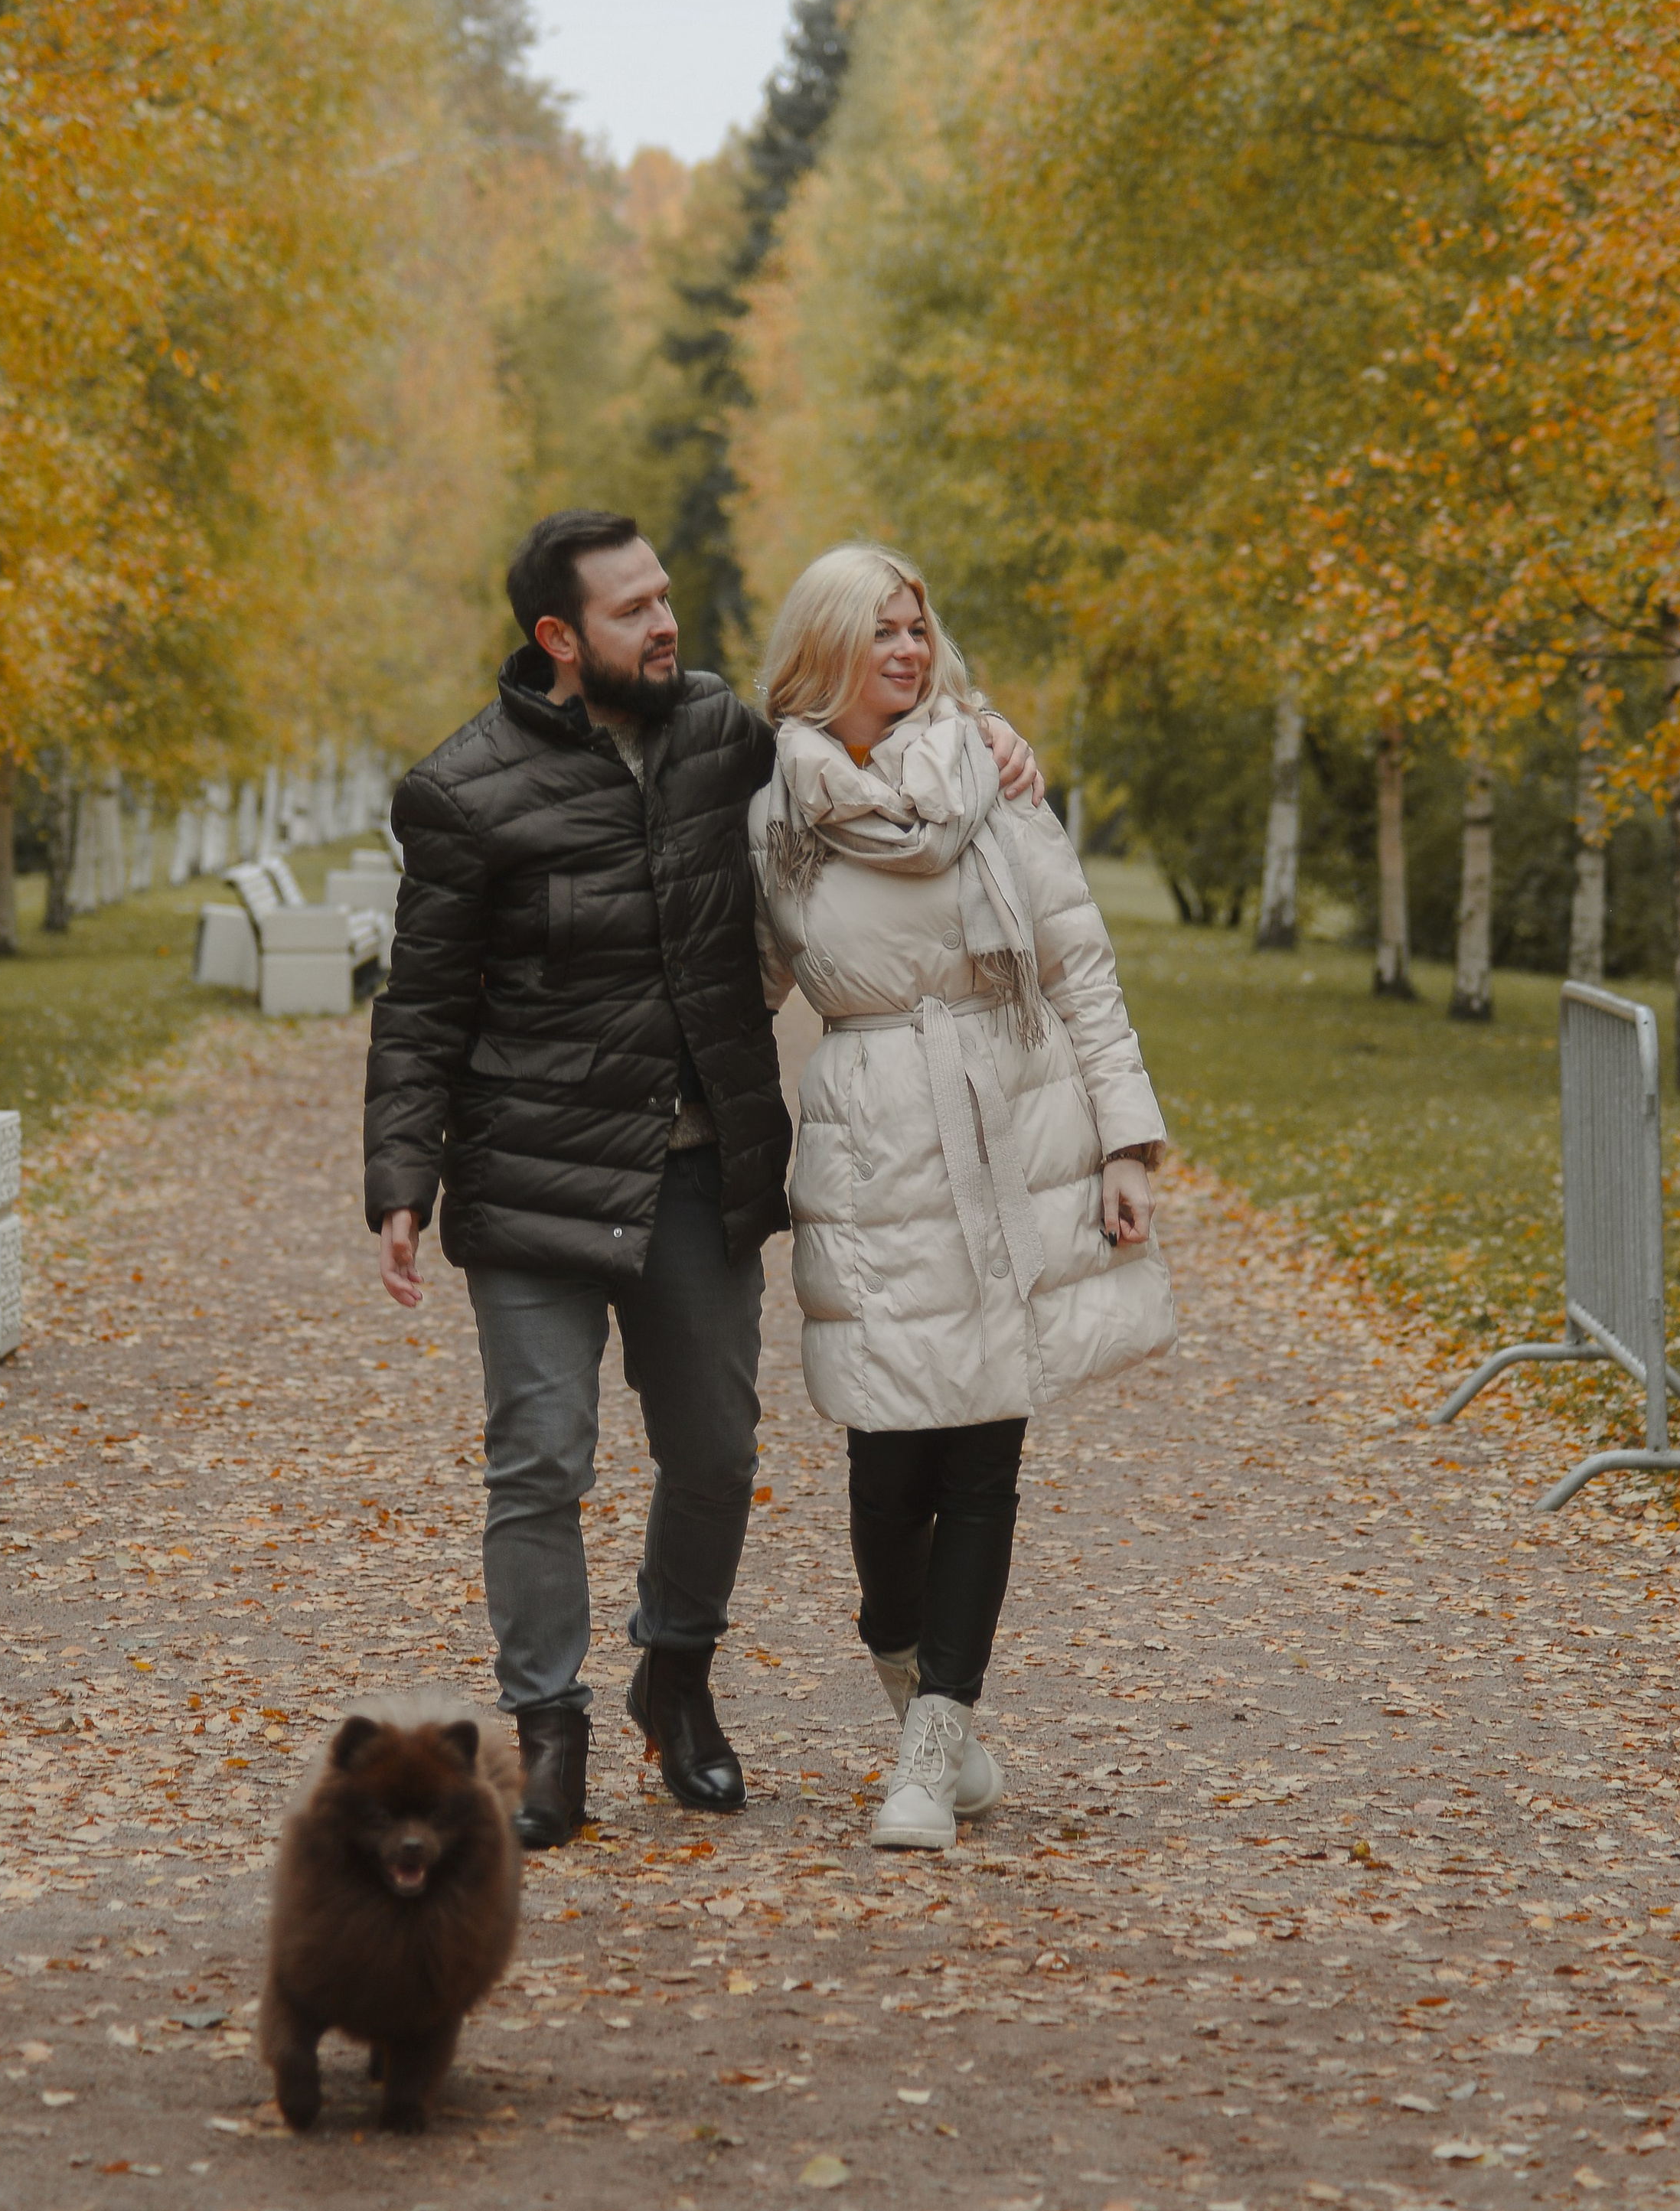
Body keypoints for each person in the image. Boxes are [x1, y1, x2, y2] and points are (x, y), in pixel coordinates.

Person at [364, 510, 1042, 1851]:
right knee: (540, 1461)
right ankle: (547, 1723)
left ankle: (675, 1675)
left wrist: (988, 723)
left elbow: (861, 718)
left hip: (693, 1170)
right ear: (559, 638)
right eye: (633, 609)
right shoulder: (463, 789)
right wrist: (402, 1174)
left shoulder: (725, 738)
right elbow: (422, 1004)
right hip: (530, 1181)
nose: (666, 623)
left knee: (719, 1454)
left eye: (666, 596)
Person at [748, 545, 1176, 1850]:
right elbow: (740, 992)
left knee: (987, 1449)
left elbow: (1082, 964)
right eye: (880, 631)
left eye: (918, 626)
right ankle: (908, 1672)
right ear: (825, 649)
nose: (908, 650)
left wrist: (1124, 1143)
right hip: (875, 1136)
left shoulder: (990, 774)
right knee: (886, 1469)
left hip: (1011, 1115)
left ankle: (933, 1747)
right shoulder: (781, 818)